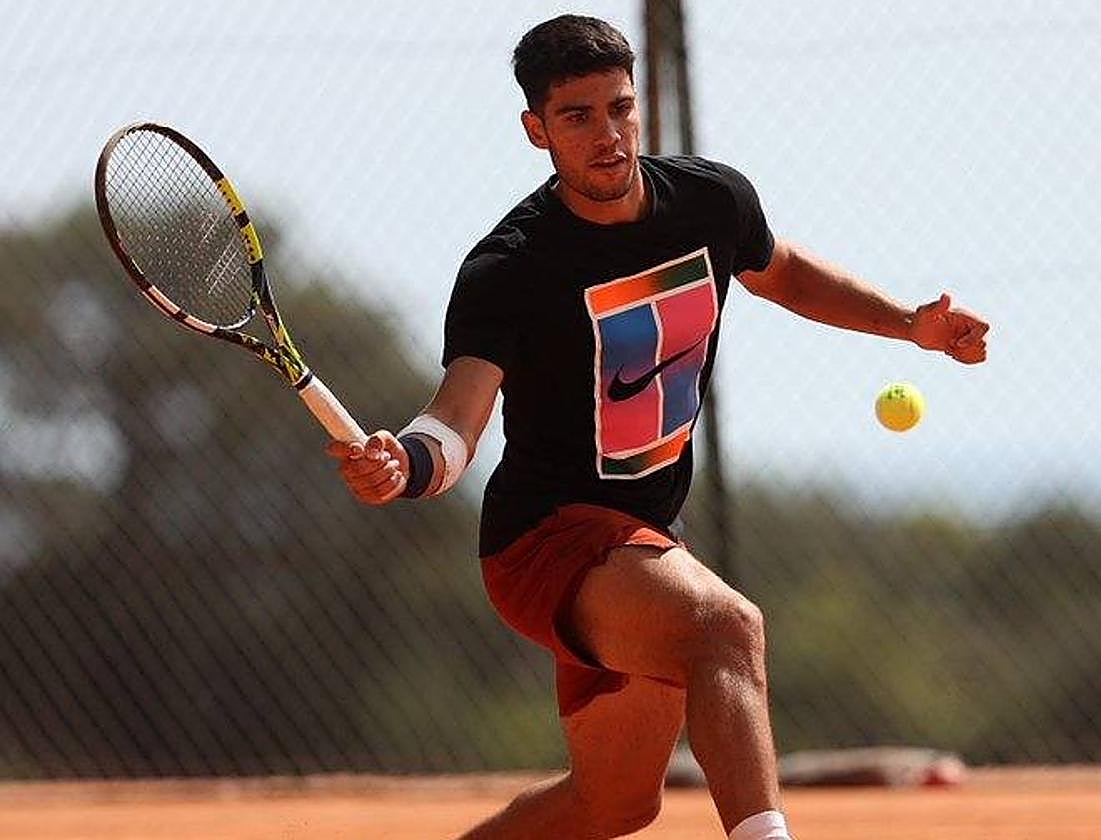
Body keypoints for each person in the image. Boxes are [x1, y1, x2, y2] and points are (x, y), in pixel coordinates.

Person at [327, 14, 988, 840]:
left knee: (614, 804)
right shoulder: (510, 267)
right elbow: (459, 415)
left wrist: (908, 325)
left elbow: (780, 272)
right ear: (536, 130)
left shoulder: (710, 201)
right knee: (727, 627)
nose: (607, 135)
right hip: (545, 542)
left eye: (619, 108)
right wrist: (411, 461)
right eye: (577, 116)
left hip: (644, 537)